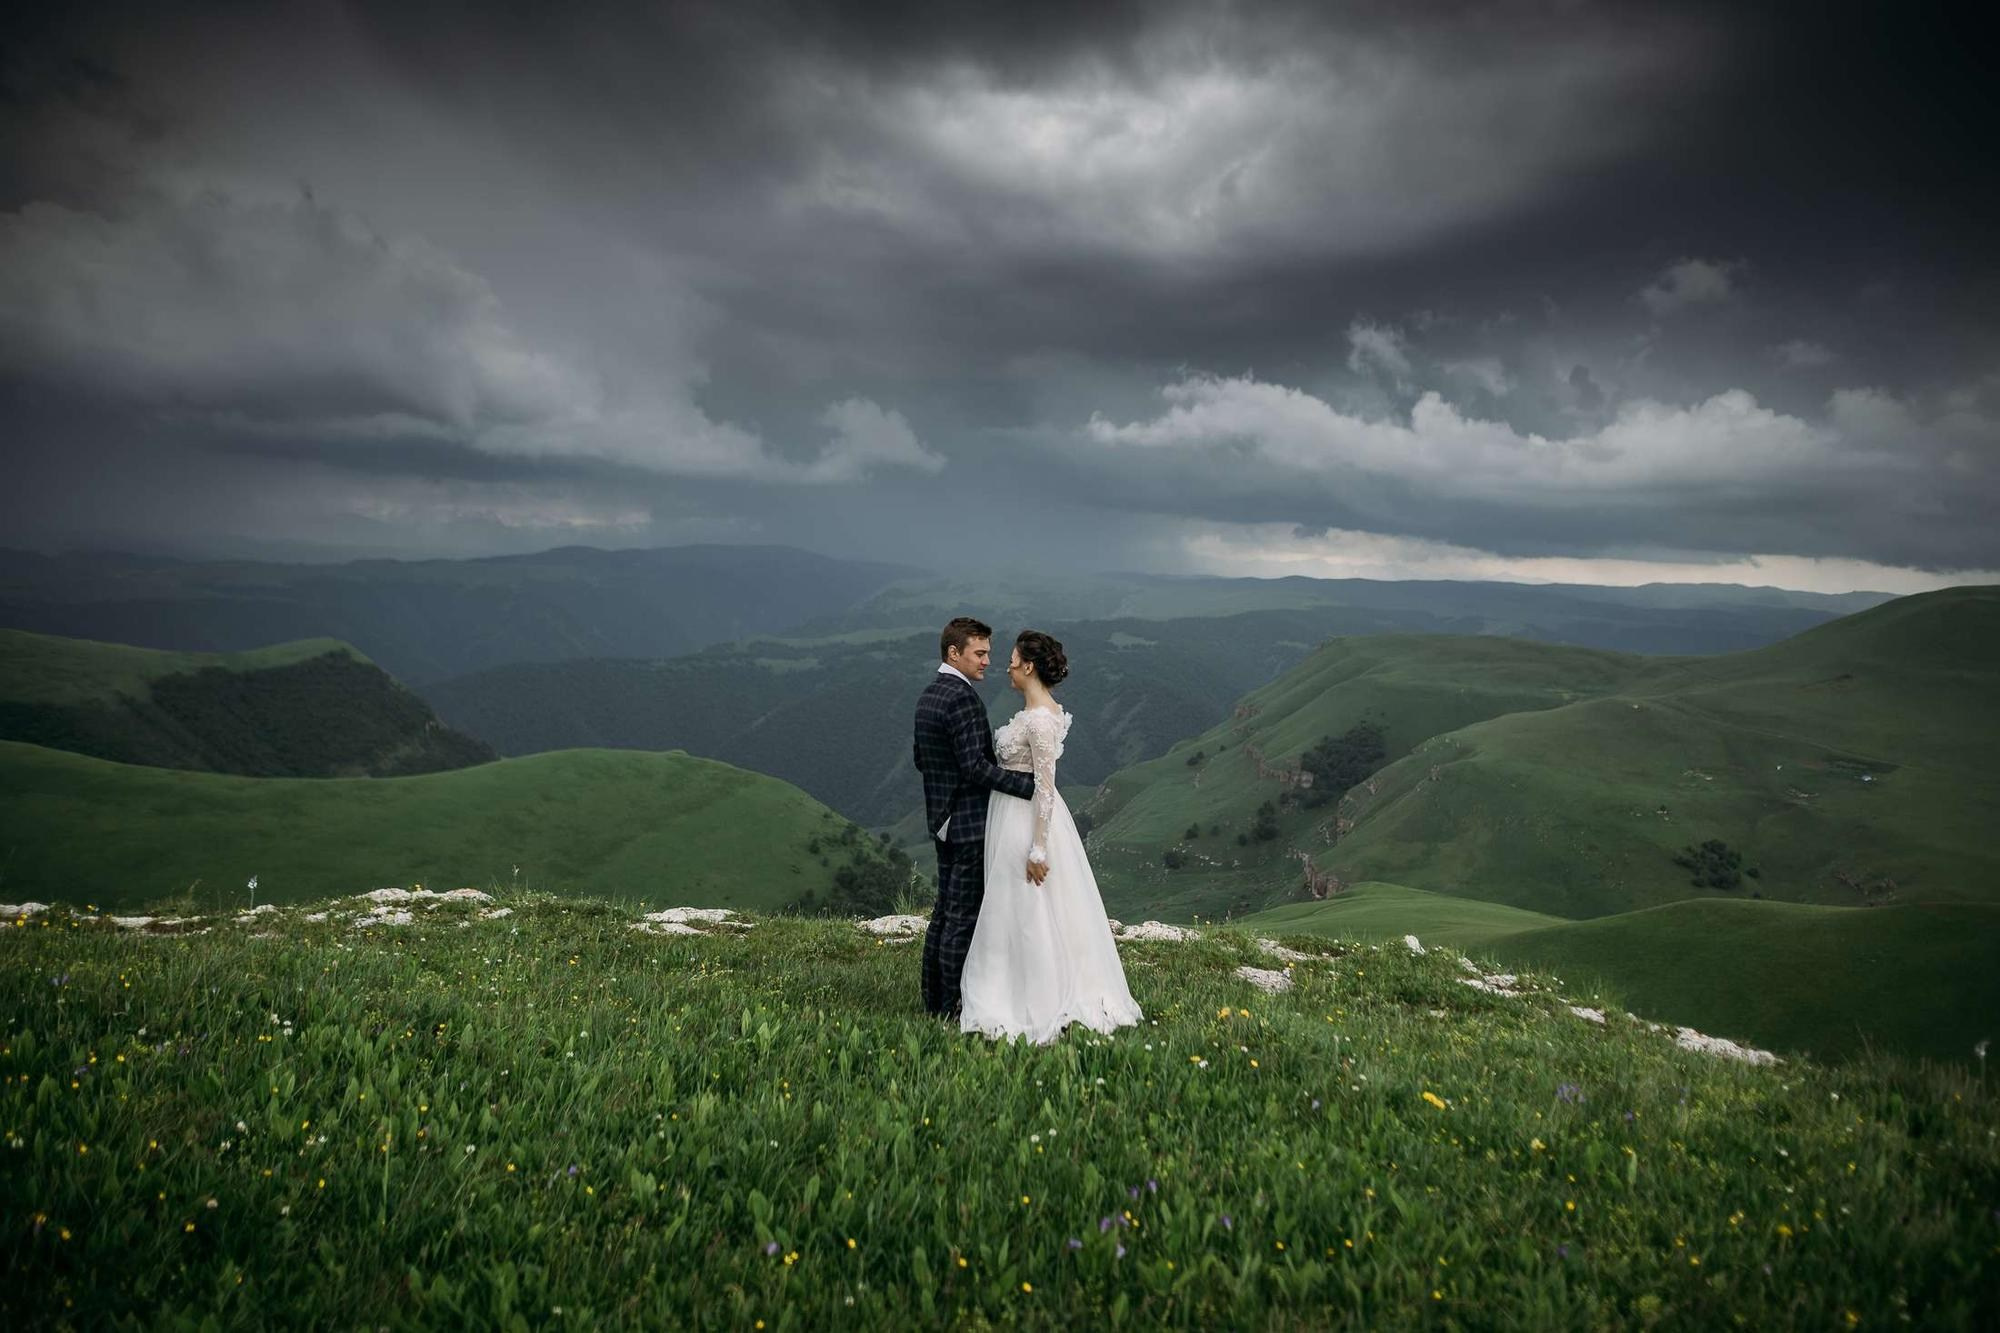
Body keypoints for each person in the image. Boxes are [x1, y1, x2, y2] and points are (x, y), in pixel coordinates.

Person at [958, 629, 1143, 1043]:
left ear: (1028, 665)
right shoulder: (1037, 711)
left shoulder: (1041, 719)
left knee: (1024, 903)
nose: (1005, 665)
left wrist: (1038, 847)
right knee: (1015, 903)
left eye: (1011, 658)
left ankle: (1029, 994)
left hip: (1026, 819)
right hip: (1011, 812)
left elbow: (1044, 785)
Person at [912, 616, 1037, 1019]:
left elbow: (921, 759)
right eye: (979, 653)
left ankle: (932, 1001)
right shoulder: (962, 698)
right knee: (962, 919)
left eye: (988, 653)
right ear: (955, 652)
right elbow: (974, 767)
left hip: (942, 819)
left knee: (944, 914)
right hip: (967, 823)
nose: (987, 661)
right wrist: (1028, 786)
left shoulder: (930, 694)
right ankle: (950, 1009)